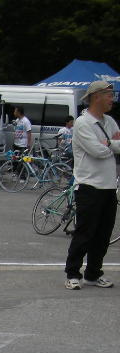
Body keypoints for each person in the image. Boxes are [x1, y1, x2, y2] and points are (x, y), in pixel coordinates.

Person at [64, 80, 120, 290]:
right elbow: (97, 151)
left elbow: (113, 145)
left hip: (108, 186)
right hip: (89, 186)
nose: (112, 99)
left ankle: (93, 273)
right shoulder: (83, 123)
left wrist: (109, 143)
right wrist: (112, 145)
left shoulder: (110, 121)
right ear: (96, 96)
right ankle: (72, 273)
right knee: (85, 233)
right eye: (109, 95)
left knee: (103, 234)